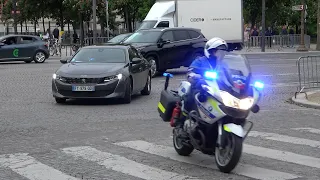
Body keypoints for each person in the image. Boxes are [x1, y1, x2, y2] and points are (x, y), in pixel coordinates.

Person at [183, 37, 228, 111]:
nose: (221, 54)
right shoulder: (200, 60)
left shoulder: (224, 64)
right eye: (218, 52)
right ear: (210, 51)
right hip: (203, 87)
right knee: (192, 94)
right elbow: (190, 71)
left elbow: (229, 74)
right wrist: (194, 75)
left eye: (223, 52)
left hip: (219, 89)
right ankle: (187, 111)